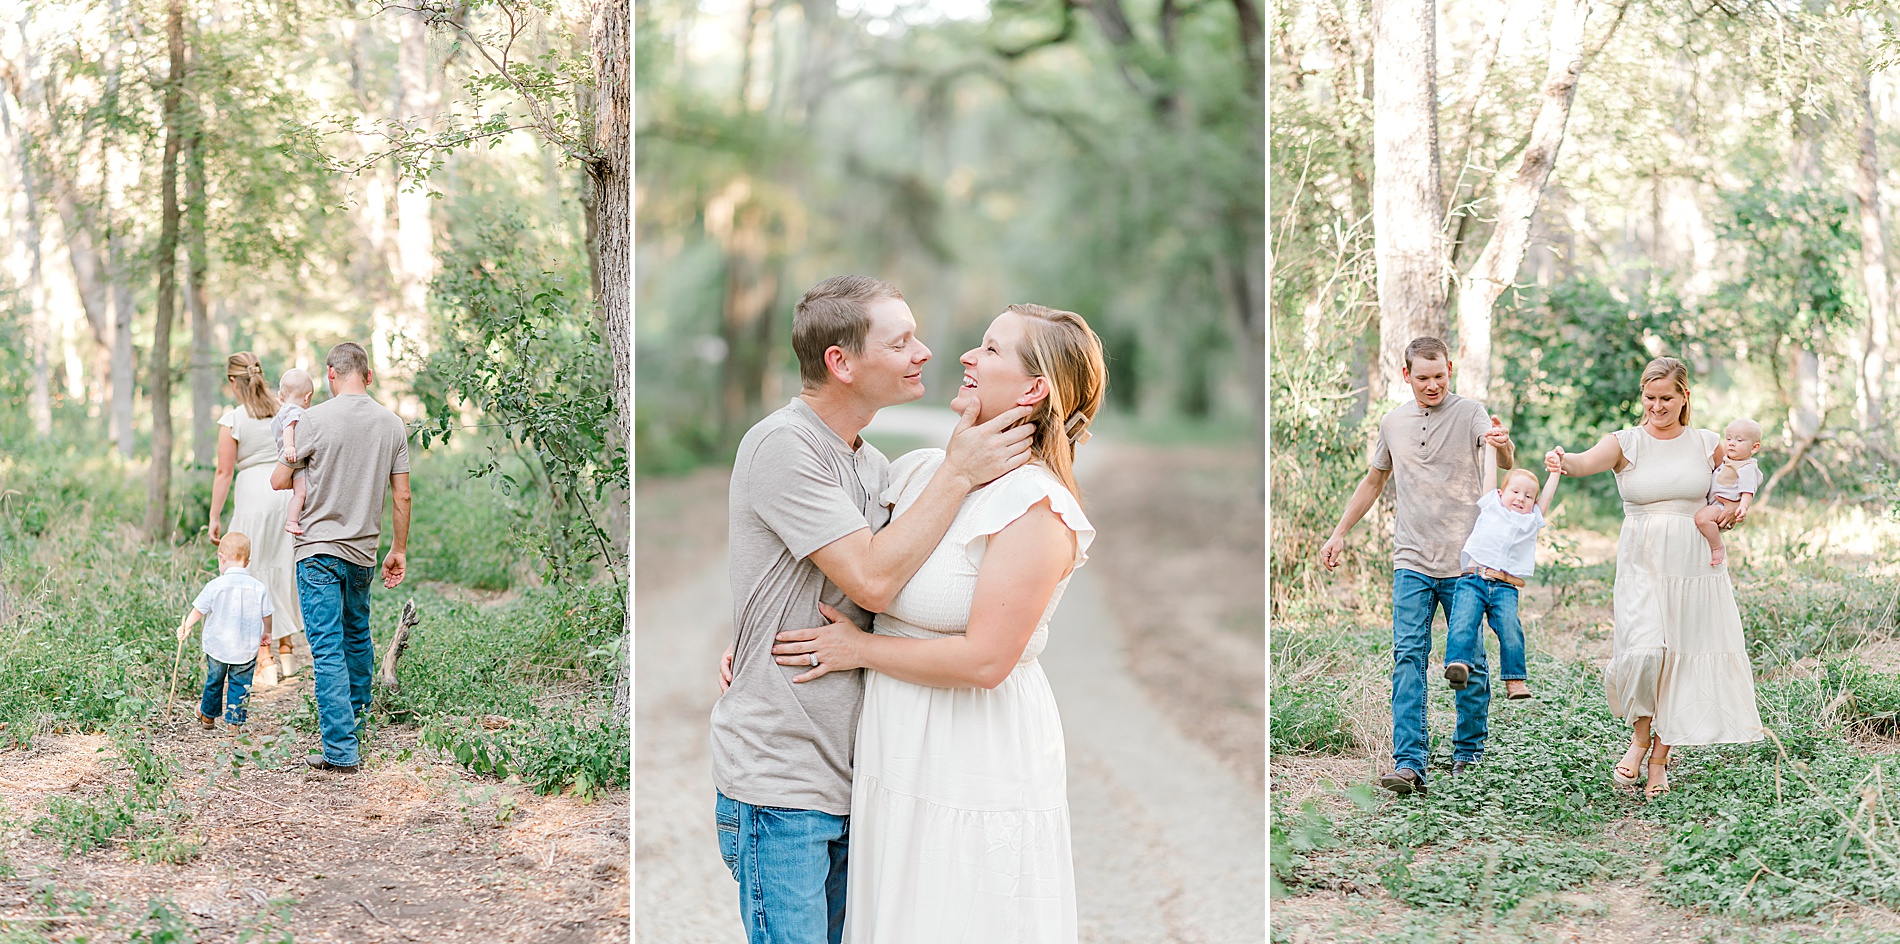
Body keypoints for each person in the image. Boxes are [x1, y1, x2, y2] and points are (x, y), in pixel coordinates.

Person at [710, 275, 1034, 944]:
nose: (924, 352)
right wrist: (960, 470)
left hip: (854, 776)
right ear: (842, 362)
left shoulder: (870, 465)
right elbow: (873, 581)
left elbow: (889, 593)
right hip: (782, 782)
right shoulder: (784, 445)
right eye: (902, 341)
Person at [770, 304, 1104, 944]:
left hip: (972, 751)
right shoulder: (923, 471)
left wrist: (859, 650)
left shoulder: (1037, 510)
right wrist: (751, 644)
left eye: (990, 350)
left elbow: (985, 661)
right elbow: (851, 569)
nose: (966, 360)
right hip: (896, 744)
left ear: (1034, 389)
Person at [1545, 356, 1764, 798]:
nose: (1657, 406)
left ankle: (1660, 760)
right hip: (1641, 562)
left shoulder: (1707, 443)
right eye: (1650, 398)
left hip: (1693, 565)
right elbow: (1582, 463)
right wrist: (1560, 459)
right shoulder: (1626, 442)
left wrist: (1729, 512)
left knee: (1683, 656)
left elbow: (1737, 484)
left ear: (1685, 397)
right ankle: (1640, 739)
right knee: (1646, 652)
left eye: (1667, 398)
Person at [1319, 337, 1515, 793]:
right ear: (1405, 375)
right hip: (1411, 559)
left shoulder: (1471, 413)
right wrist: (1339, 532)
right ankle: (1409, 763)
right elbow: (1373, 481)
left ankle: (1469, 753)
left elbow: (1503, 459)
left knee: (1469, 660)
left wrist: (1504, 447)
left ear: (1451, 369)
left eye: (1439, 376)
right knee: (1407, 657)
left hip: (1466, 562)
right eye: (1422, 378)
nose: (1432, 385)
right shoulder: (1392, 423)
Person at [272, 342, 411, 775]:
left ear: (330, 375)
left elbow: (279, 479)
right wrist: (398, 549)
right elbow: (402, 494)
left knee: (327, 648)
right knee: (356, 637)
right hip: (363, 553)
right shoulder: (392, 425)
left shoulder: (312, 420)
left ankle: (341, 749)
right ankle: (358, 724)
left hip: (316, 550)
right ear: (367, 377)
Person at [209, 352, 306, 686]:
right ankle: (287, 650)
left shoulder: (233, 419)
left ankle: (264, 662)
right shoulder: (284, 411)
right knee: (283, 566)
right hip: (284, 492)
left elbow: (223, 472)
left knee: (253, 572)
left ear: (233, 382)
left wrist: (214, 517)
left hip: (251, 495)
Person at [1445, 466, 1560, 702]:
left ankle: (1515, 680)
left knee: (1511, 629)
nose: (1521, 498)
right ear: (1500, 493)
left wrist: (1555, 471)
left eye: (1528, 496)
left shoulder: (1531, 520)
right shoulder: (1491, 506)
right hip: (1473, 580)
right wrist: (1492, 447)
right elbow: (1489, 475)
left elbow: (1547, 497)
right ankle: (1459, 665)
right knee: (1463, 622)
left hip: (1505, 587)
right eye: (1515, 492)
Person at [177, 532, 274, 730]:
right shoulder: (258, 587)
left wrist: (186, 627)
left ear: (221, 558)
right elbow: (267, 614)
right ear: (247, 562)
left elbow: (199, 610)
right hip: (246, 648)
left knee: (215, 681)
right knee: (240, 685)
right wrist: (268, 632)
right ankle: (234, 724)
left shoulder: (215, 586)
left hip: (218, 647)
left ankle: (208, 716)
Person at [1693, 418, 1763, 567]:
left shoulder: (1747, 467)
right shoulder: (1727, 461)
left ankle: (1717, 547)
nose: (1731, 443)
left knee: (1702, 518)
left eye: (1739, 440)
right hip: (1715, 503)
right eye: (1729, 438)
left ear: (1754, 447)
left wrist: (1742, 507)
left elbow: (1748, 491)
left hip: (1722, 507)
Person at [273, 369, 315, 536]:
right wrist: (290, 447)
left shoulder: (282, 411)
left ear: (280, 397)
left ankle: (293, 519)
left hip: (287, 458)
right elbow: (289, 428)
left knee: (299, 491)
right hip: (293, 458)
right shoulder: (294, 411)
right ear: (307, 397)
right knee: (301, 492)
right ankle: (292, 521)